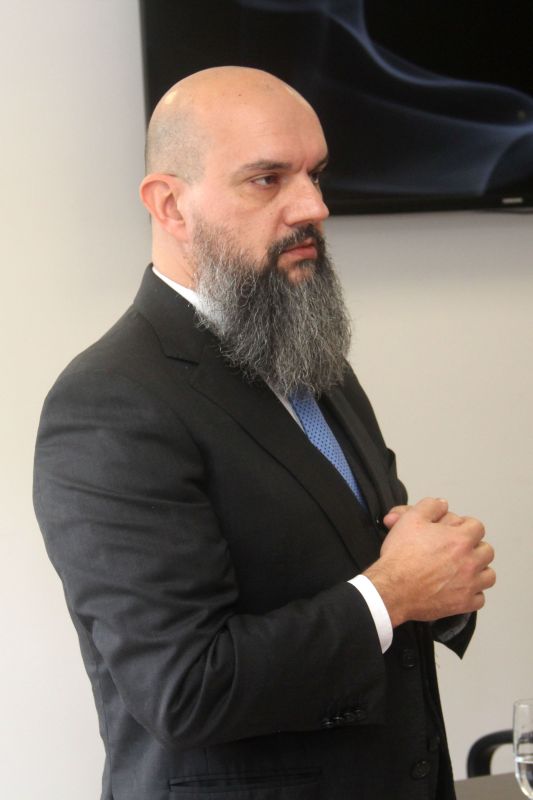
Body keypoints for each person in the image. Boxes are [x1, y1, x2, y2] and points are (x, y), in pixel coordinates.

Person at [33, 66, 496, 800]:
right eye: (267, 179)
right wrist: (392, 593)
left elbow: (363, 560)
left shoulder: (310, 354)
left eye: (315, 175)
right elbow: (186, 688)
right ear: (170, 205)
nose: (313, 206)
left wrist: (438, 579)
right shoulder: (108, 402)